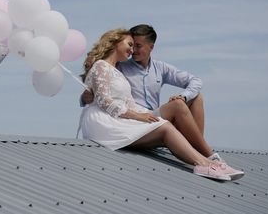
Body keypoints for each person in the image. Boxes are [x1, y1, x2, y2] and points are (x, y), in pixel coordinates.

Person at [79, 28, 243, 181]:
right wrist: (86, 97)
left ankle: (208, 159)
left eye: (137, 46)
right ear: (115, 42)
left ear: (151, 47)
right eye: (130, 45)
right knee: (168, 121)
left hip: (133, 115)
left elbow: (195, 81)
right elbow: (101, 97)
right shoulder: (112, 66)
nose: (133, 50)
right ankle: (206, 162)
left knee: (193, 99)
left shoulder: (158, 68)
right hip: (113, 120)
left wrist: (180, 98)